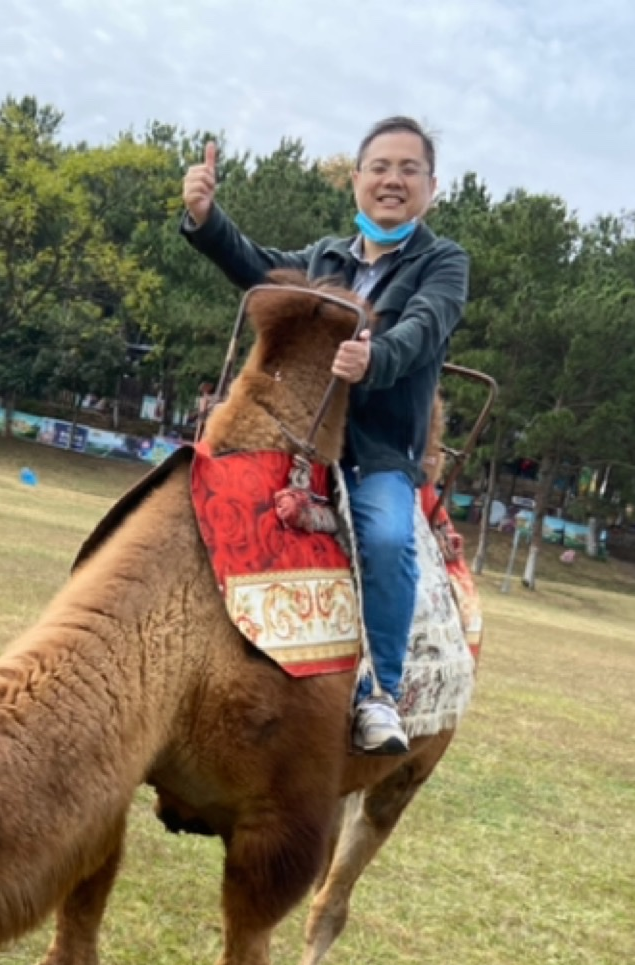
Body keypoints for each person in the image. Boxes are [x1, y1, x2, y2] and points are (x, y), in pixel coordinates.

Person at [180, 116, 469, 755]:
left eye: (408, 169)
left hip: (377, 453)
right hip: (299, 435)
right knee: (201, 489)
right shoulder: (326, 256)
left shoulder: (443, 263)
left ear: (432, 187)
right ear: (358, 180)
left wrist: (378, 357)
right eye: (380, 167)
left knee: (389, 536)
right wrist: (207, 219)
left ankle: (380, 693)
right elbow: (259, 268)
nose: (393, 180)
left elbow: (425, 326)